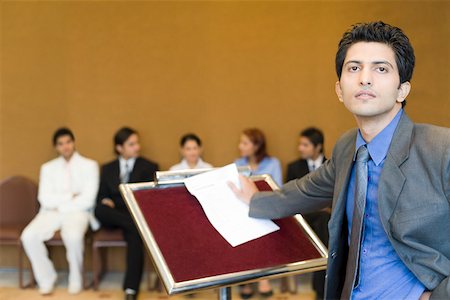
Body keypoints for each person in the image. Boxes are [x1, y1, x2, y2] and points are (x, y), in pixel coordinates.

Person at [230, 21, 449, 300]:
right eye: (354, 68)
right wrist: (254, 200)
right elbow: (307, 190)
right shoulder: (348, 146)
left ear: (402, 90)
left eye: (381, 69)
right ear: (339, 89)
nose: (364, 78)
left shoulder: (441, 149)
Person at [21, 128, 99, 295]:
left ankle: (76, 278)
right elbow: (44, 198)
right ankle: (47, 278)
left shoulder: (89, 165)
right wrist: (71, 195)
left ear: (73, 143)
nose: (66, 147)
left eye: (68, 142)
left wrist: (61, 203)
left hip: (79, 212)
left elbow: (88, 199)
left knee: (73, 236)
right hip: (50, 212)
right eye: (61, 144)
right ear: (56, 147)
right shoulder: (47, 168)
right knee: (28, 236)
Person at [94, 127, 159, 300]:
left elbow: (144, 199)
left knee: (135, 232)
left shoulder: (149, 167)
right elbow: (101, 197)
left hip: (135, 213)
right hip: (113, 216)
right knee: (99, 209)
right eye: (131, 144)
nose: (137, 147)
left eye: (137, 143)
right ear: (119, 148)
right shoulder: (108, 168)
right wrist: (109, 202)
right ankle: (136, 226)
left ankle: (131, 289)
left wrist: (115, 200)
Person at [234, 128, 282, 299]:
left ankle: (263, 278)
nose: (240, 146)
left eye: (245, 143)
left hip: (267, 208)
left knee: (264, 227)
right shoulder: (238, 163)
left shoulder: (272, 163)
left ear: (256, 146)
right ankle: (246, 280)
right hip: (244, 209)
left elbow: (278, 188)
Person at [285, 127, 329, 299]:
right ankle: (322, 289)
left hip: (325, 219)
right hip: (302, 219)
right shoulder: (293, 168)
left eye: (305, 145)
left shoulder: (331, 165)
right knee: (325, 225)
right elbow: (289, 197)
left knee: (326, 223)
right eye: (300, 144)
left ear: (318, 147)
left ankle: (321, 289)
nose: (300, 148)